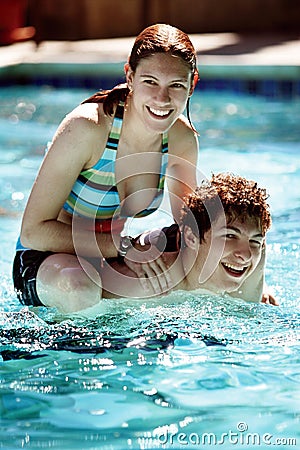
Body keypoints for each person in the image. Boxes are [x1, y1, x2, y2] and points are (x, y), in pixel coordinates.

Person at [12, 23, 200, 311]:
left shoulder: (181, 139)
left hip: (111, 256)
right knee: (80, 289)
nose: (162, 99)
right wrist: (124, 247)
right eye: (150, 82)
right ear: (130, 75)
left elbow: (189, 229)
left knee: (179, 276)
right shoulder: (88, 129)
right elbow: (33, 232)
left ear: (192, 84)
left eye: (176, 85)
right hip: (50, 260)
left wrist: (248, 278)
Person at [99, 173, 277, 308]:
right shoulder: (142, 283)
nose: (245, 255)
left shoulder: (252, 267)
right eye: (230, 236)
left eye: (255, 241)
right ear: (191, 238)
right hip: (163, 244)